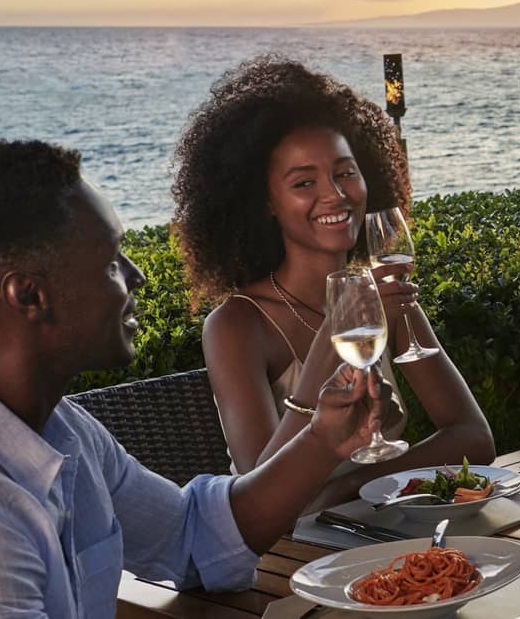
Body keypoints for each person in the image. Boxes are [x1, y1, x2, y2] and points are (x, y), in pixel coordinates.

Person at [0, 140, 398, 617]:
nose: (137, 276)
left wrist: (323, 439)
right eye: (111, 259)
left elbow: (193, 537)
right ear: (30, 294)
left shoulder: (59, 431)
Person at [173, 55, 494, 514]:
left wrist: (351, 487)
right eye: (304, 182)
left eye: (345, 172)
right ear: (264, 201)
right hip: (284, 556)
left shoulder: (382, 294)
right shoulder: (237, 325)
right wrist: (332, 340)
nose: (336, 194)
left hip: (376, 529)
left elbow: (473, 437)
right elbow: (258, 494)